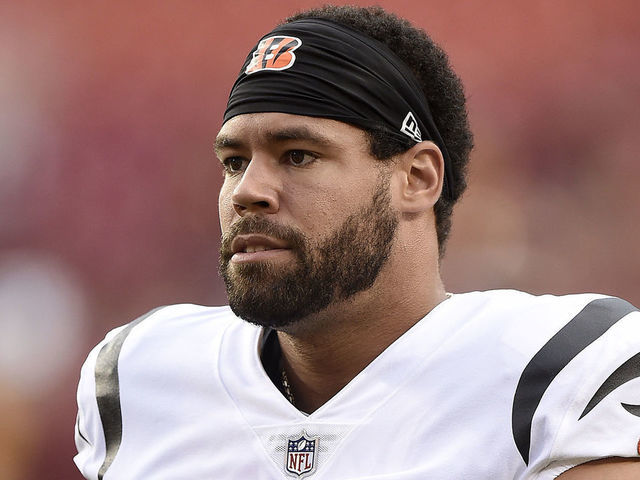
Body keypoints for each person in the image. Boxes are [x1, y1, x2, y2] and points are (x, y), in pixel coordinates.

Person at [74, 5, 640, 479]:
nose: (247, 192)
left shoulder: (556, 370)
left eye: (298, 155)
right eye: (234, 161)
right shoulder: (137, 376)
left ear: (416, 179)